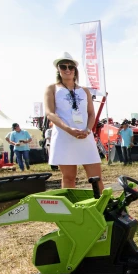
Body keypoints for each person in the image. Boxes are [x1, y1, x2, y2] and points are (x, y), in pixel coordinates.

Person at [44, 52, 103, 191]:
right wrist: (69, 130)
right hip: (64, 136)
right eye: (63, 66)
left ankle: (103, 207)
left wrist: (88, 130)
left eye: (70, 66)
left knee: (96, 177)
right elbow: (50, 113)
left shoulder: (84, 91)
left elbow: (91, 113)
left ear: (75, 70)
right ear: (58, 69)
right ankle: (71, 209)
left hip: (85, 136)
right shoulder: (52, 88)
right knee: (69, 178)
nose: (67, 69)